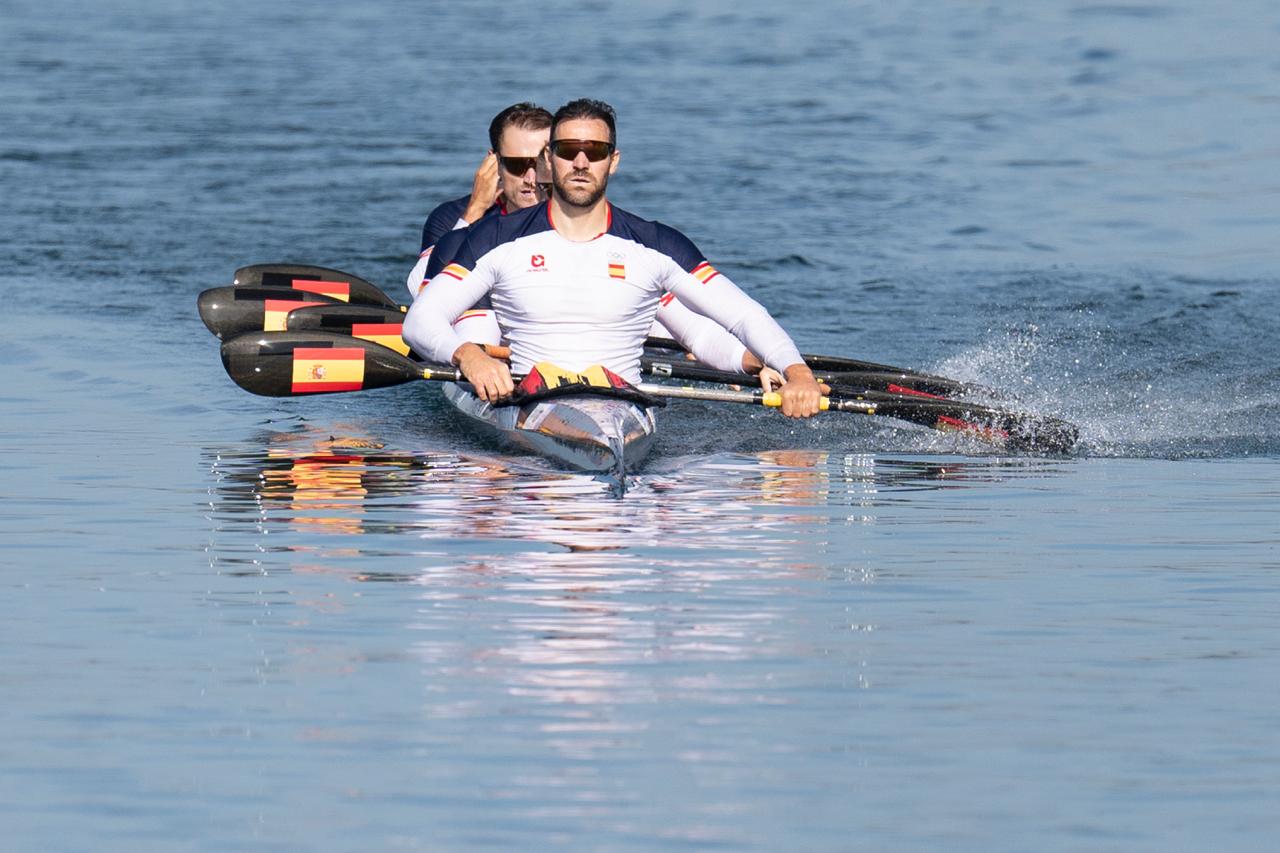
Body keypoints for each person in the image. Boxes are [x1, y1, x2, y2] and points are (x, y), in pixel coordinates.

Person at [403, 99, 823, 418]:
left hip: (624, 408)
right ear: (550, 159)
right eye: (568, 150)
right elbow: (421, 321)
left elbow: (744, 315)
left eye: (595, 151)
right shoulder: (491, 238)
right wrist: (469, 357)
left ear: (613, 161)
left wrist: (795, 370)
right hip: (524, 399)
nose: (581, 162)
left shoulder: (656, 244)